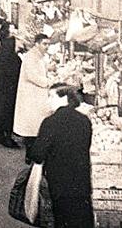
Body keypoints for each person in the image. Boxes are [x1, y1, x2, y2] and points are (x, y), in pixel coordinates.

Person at [27, 84, 93, 228]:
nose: (48, 101)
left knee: (62, 220)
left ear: (64, 98)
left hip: (59, 184)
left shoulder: (50, 122)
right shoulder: (84, 120)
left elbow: (37, 154)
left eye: (51, 96)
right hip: (82, 182)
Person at [13, 34, 53, 161]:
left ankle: (32, 155)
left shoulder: (38, 56)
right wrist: (48, 82)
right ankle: (30, 156)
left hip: (36, 96)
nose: (47, 47)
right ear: (37, 44)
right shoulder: (31, 56)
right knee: (31, 129)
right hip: (31, 97)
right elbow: (32, 76)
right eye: (44, 44)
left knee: (34, 128)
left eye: (48, 44)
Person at [0, 25, 22, 148]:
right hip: (9, 91)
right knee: (7, 114)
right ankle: (7, 138)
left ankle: (3, 136)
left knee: (1, 114)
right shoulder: (14, 58)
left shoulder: (1, 55)